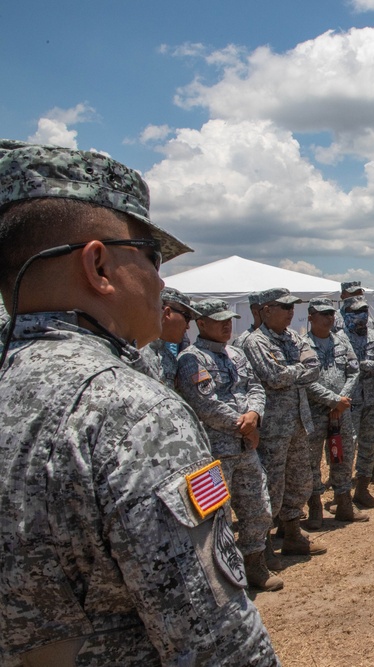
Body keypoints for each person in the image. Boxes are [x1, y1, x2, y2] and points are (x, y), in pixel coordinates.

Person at [0, 141, 278, 665]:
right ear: (98, 265)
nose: (162, 281)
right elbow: (216, 641)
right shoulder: (129, 411)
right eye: (151, 257)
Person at [175, 298, 282, 592]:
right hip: (213, 453)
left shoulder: (236, 354)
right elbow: (204, 404)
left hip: (246, 448)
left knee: (257, 506)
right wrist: (243, 425)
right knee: (215, 517)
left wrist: (254, 415)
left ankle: (255, 565)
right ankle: (220, 577)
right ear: (201, 323)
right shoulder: (190, 359)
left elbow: (256, 387)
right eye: (219, 320)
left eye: (229, 319)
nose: (226, 324)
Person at [243, 287, 326, 559]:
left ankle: (292, 534)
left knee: (300, 480)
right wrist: (298, 370)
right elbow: (273, 376)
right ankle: (262, 545)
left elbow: (316, 367)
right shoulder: (256, 342)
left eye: (293, 308)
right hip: (273, 429)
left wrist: (293, 372)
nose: (291, 313)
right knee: (270, 486)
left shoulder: (293, 337)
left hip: (299, 422)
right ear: (266, 310)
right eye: (285, 307)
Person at [304, 297, 363, 524]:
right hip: (315, 411)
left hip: (341, 411)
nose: (329, 318)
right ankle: (315, 508)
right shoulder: (303, 345)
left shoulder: (341, 342)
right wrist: (332, 401)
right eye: (323, 314)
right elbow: (305, 380)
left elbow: (354, 371)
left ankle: (344, 503)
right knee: (312, 461)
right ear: (310, 317)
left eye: (331, 313)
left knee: (344, 456)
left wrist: (341, 400)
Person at [341, 295, 374, 508]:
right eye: (356, 312)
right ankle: (341, 495)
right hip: (348, 402)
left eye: (364, 311)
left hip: (373, 399)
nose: (361, 316)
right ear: (346, 315)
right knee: (347, 447)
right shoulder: (339, 338)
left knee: (369, 445)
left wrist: (365, 365)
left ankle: (362, 490)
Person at [140, 286, 200, 387]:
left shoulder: (169, 358)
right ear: (167, 313)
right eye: (187, 317)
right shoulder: (133, 349)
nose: (188, 326)